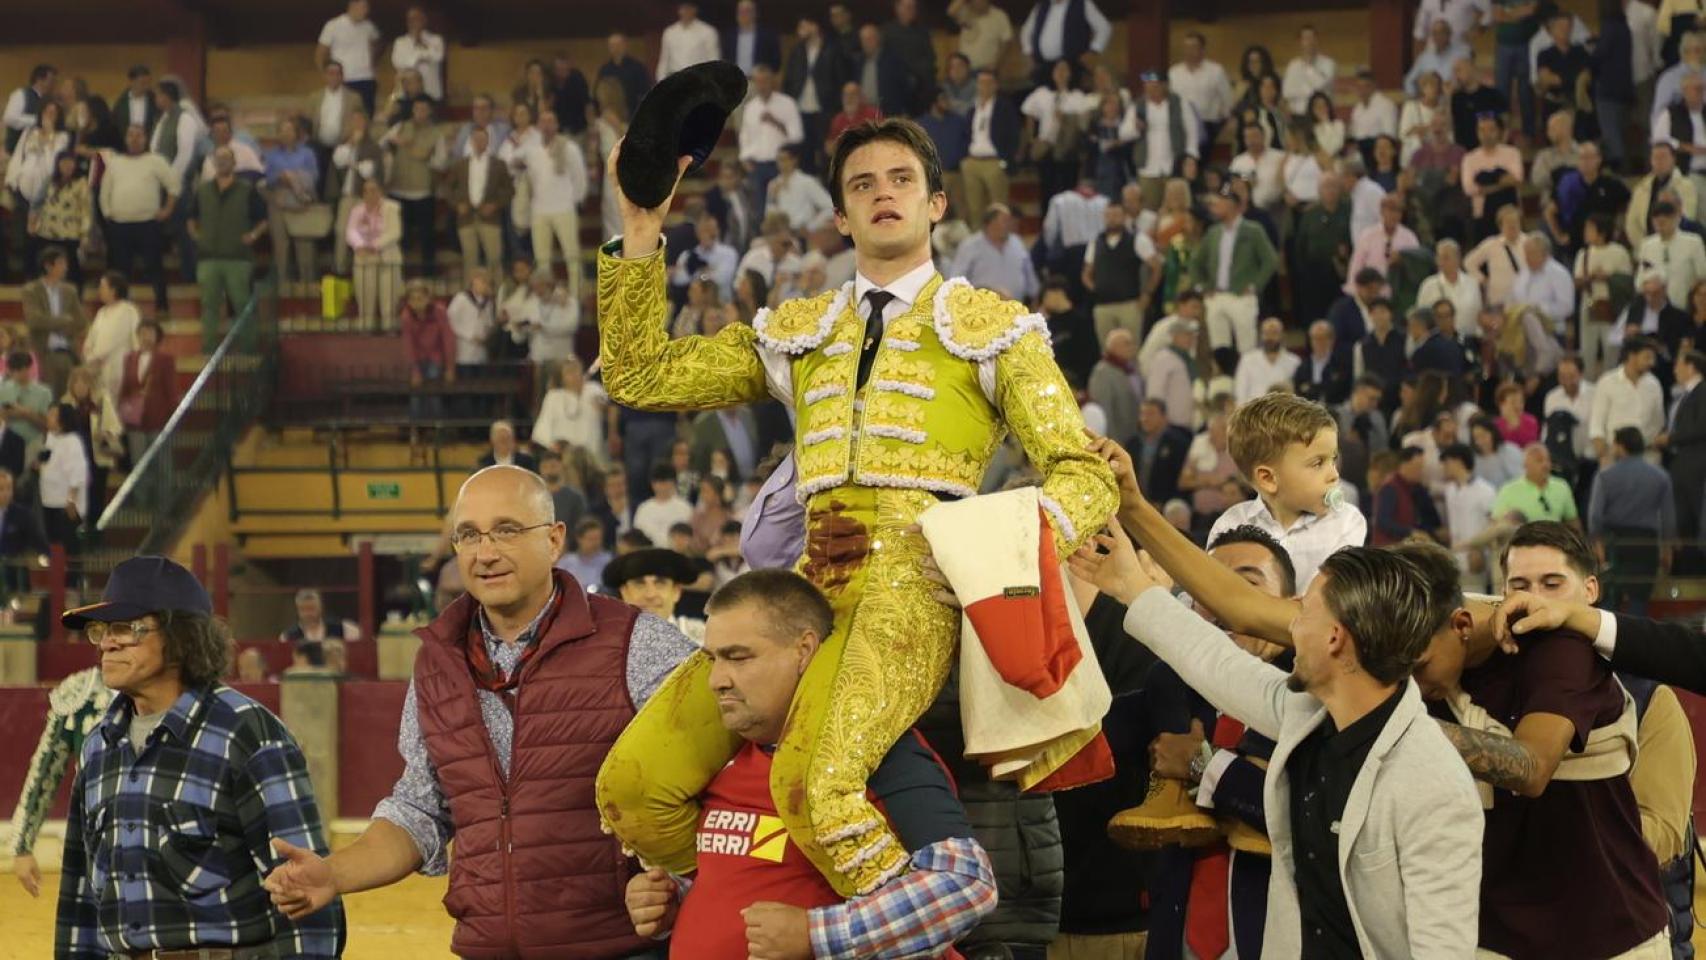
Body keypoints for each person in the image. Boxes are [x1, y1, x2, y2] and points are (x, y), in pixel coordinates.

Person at [595, 115, 1115, 897]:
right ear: (840, 216)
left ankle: (911, 945)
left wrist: (993, 560)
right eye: (863, 184)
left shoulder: (994, 330)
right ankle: (756, 900)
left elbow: (1084, 471)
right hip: (805, 587)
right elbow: (639, 376)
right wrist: (640, 230)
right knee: (633, 789)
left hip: (914, 588)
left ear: (937, 203)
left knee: (820, 787)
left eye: (901, 180)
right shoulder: (802, 331)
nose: (883, 195)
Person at [262, 466, 697, 956]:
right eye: (468, 535)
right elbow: (422, 807)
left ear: (554, 541)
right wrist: (332, 873)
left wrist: (678, 888)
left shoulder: (638, 642)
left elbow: (713, 787)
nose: (485, 553)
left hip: (618, 949)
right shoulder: (436, 660)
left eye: (507, 530)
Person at [1070, 521, 1482, 956]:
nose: (1290, 627)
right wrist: (1132, 586)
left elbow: (1442, 950)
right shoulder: (1306, 715)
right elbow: (1217, 663)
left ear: (1335, 639)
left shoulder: (1436, 785)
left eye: (1303, 611)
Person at [624, 568, 998, 956]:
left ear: (804, 651)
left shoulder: (870, 750)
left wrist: (819, 935)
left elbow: (965, 884)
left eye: (738, 657)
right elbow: (752, 873)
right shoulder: (722, 760)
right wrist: (675, 898)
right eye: (712, 658)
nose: (717, 679)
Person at [57, 555, 345, 957]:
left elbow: (306, 897)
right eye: (101, 629)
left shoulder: (246, 734)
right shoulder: (98, 746)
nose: (107, 641)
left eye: (126, 627)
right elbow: (80, 901)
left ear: (181, 638)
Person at [1416, 522, 1672, 959]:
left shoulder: (1578, 657)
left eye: (1552, 584)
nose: (1530, 598)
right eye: (1519, 584)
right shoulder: (1450, 644)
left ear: (1590, 591)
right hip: (1489, 932)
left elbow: (1664, 827)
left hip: (1609, 931)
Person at [1205, 393, 1366, 590]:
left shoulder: (1346, 523)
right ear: (1268, 479)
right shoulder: (1230, 525)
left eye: (1333, 459)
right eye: (1318, 463)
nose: (1334, 474)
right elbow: (1215, 596)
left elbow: (1326, 605)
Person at [7, 666, 110, 898]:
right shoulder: (83, 694)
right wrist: (22, 845)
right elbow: (45, 771)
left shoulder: (174, 689)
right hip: (93, 846)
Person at [1193, 181, 1279, 375]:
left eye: (1219, 203)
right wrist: (1203, 287)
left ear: (1232, 205)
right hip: (1217, 296)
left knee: (1247, 347)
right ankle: (1225, 386)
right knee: (1219, 347)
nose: (1214, 208)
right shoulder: (1213, 232)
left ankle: (1249, 389)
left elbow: (1270, 260)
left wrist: (1255, 285)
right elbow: (1196, 263)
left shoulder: (1252, 230)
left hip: (1242, 296)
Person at [189, 146, 267, 353]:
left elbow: (262, 219)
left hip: (238, 258)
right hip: (208, 258)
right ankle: (209, 351)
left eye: (227, 158)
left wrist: (253, 236)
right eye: (219, 158)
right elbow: (191, 218)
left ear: (234, 163)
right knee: (209, 306)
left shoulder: (247, 189)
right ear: (214, 162)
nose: (223, 161)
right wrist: (197, 237)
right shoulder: (203, 190)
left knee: (243, 304)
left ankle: (249, 349)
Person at [1589, 427, 1675, 613]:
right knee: (1639, 601)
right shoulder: (1661, 477)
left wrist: (1598, 544)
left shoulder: (1605, 476)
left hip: (1614, 543)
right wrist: (1666, 549)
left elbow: (1595, 517)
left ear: (1620, 446)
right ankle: (1637, 640)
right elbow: (1668, 518)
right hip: (1646, 544)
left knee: (1610, 601)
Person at [100, 123, 176, 314]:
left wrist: (167, 210)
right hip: (120, 225)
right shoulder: (115, 162)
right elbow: (104, 192)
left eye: (139, 135)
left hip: (148, 224)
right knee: (120, 271)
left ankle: (162, 305)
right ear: (125, 139)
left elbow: (174, 187)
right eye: (131, 135)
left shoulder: (156, 161)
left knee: (155, 266)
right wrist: (108, 213)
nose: (134, 139)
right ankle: (120, 308)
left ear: (145, 139)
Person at [518, 110, 589, 299]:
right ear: (538, 126)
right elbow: (520, 168)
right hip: (539, 210)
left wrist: (574, 201)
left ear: (556, 125)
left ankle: (575, 297)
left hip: (564, 208)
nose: (547, 126)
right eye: (543, 122)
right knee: (542, 260)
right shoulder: (531, 150)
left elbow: (580, 177)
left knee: (572, 256)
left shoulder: (569, 148)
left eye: (551, 122)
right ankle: (545, 296)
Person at [22, 247, 86, 400]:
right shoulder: (31, 290)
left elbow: (81, 321)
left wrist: (56, 323)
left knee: (69, 400)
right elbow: (34, 320)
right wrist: (63, 321)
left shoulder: (70, 290)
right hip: (43, 353)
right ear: (48, 266)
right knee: (48, 399)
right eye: (61, 263)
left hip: (68, 352)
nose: (65, 267)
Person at [1591, 337, 1667, 463]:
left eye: (1653, 358)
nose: (1652, 363)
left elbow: (1658, 422)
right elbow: (1597, 423)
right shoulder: (1607, 382)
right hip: (1615, 455)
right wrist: (1602, 452)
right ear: (1632, 356)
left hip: (1647, 457)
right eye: (1647, 358)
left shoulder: (1654, 384)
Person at [450, 126, 512, 277]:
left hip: (491, 219)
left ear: (488, 141)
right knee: (470, 261)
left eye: (482, 139)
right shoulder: (460, 165)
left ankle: (497, 295)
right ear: (471, 141)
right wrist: (457, 204)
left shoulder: (499, 164)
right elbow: (448, 188)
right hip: (466, 218)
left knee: (494, 260)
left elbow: (509, 190)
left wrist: (495, 205)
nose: (479, 142)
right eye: (476, 139)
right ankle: (471, 295)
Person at [949, 203, 1039, 302]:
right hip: (982, 311)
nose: (1009, 224)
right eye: (1005, 220)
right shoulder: (969, 246)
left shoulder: (1017, 243)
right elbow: (956, 280)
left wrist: (1035, 296)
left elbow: (1029, 274)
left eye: (1010, 220)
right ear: (990, 223)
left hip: (1016, 308)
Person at [346, 177, 402, 332]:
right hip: (364, 258)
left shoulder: (392, 208)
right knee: (365, 297)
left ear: (381, 192)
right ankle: (366, 327)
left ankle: (389, 327)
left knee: (388, 297)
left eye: (373, 190)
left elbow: (394, 232)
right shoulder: (357, 210)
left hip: (387, 256)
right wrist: (360, 245)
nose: (369, 194)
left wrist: (374, 246)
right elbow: (351, 231)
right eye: (365, 191)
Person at [1441, 443, 1499, 591]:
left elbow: (1493, 525)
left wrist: (1479, 549)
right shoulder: (1449, 490)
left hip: (1476, 559)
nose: (1444, 467)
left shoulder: (1485, 491)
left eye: (1447, 463)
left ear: (1458, 462)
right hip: (1454, 559)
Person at [1492, 443, 1581, 524]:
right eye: (1539, 460)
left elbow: (1572, 521)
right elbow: (1495, 523)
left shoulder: (1562, 487)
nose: (1545, 464)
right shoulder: (1509, 490)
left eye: (1547, 460)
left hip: (1553, 539)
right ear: (1525, 465)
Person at [1372, 445, 1445, 545]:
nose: (1421, 472)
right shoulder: (1390, 488)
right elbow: (1383, 521)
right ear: (1405, 465)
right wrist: (1411, 532)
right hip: (1388, 551)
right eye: (1418, 467)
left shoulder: (1414, 489)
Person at [279, 587, 362, 668]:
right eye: (303, 609)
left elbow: (363, 641)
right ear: (298, 610)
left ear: (320, 607)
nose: (308, 614)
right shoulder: (287, 636)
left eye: (311, 608)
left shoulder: (342, 628)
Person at [1090, 327, 1143, 442]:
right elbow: (1105, 410)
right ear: (1113, 347)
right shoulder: (1103, 372)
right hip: (1118, 439)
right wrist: (1113, 442)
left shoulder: (1132, 368)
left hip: (1135, 437)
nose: (1132, 347)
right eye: (1127, 343)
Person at [1234, 317, 1300, 403]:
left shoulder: (1294, 361)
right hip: (1254, 411)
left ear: (1282, 335)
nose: (1270, 337)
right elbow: (1240, 393)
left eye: (1274, 333)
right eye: (1266, 333)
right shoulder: (1247, 360)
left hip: (1283, 412)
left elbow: (1297, 395)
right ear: (1261, 335)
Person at [390, 5, 445, 103]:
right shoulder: (400, 42)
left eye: (416, 18)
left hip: (431, 92)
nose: (413, 22)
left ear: (424, 20)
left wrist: (420, 46)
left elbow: (438, 56)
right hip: (407, 96)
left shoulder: (436, 40)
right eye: (410, 19)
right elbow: (398, 62)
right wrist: (421, 57)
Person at [657, 1, 721, 80]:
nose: (685, 12)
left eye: (688, 8)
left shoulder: (708, 32)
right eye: (682, 8)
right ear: (679, 10)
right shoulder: (670, 32)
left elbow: (714, 61)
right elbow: (664, 61)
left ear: (695, 10)